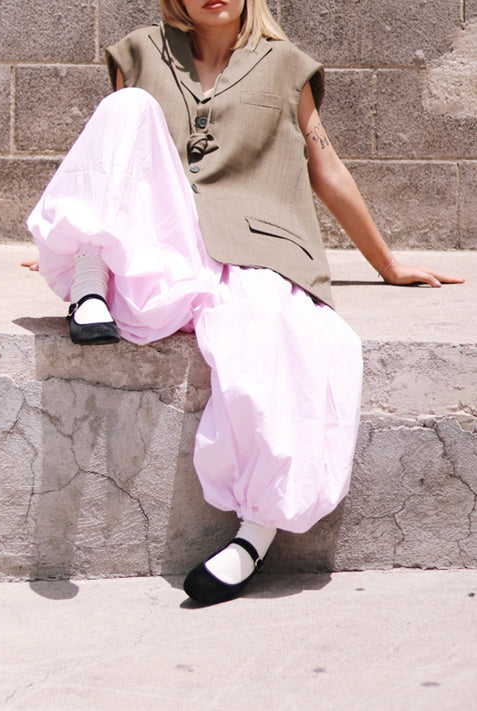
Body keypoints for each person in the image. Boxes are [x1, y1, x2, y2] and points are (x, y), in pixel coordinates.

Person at [26, 0, 464, 604]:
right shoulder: (139, 52)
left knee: (271, 337)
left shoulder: (286, 65)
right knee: (125, 109)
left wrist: (386, 265)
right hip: (170, 253)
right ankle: (88, 284)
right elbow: (117, 159)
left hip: (258, 246)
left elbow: (326, 167)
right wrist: (85, 241)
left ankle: (254, 536)